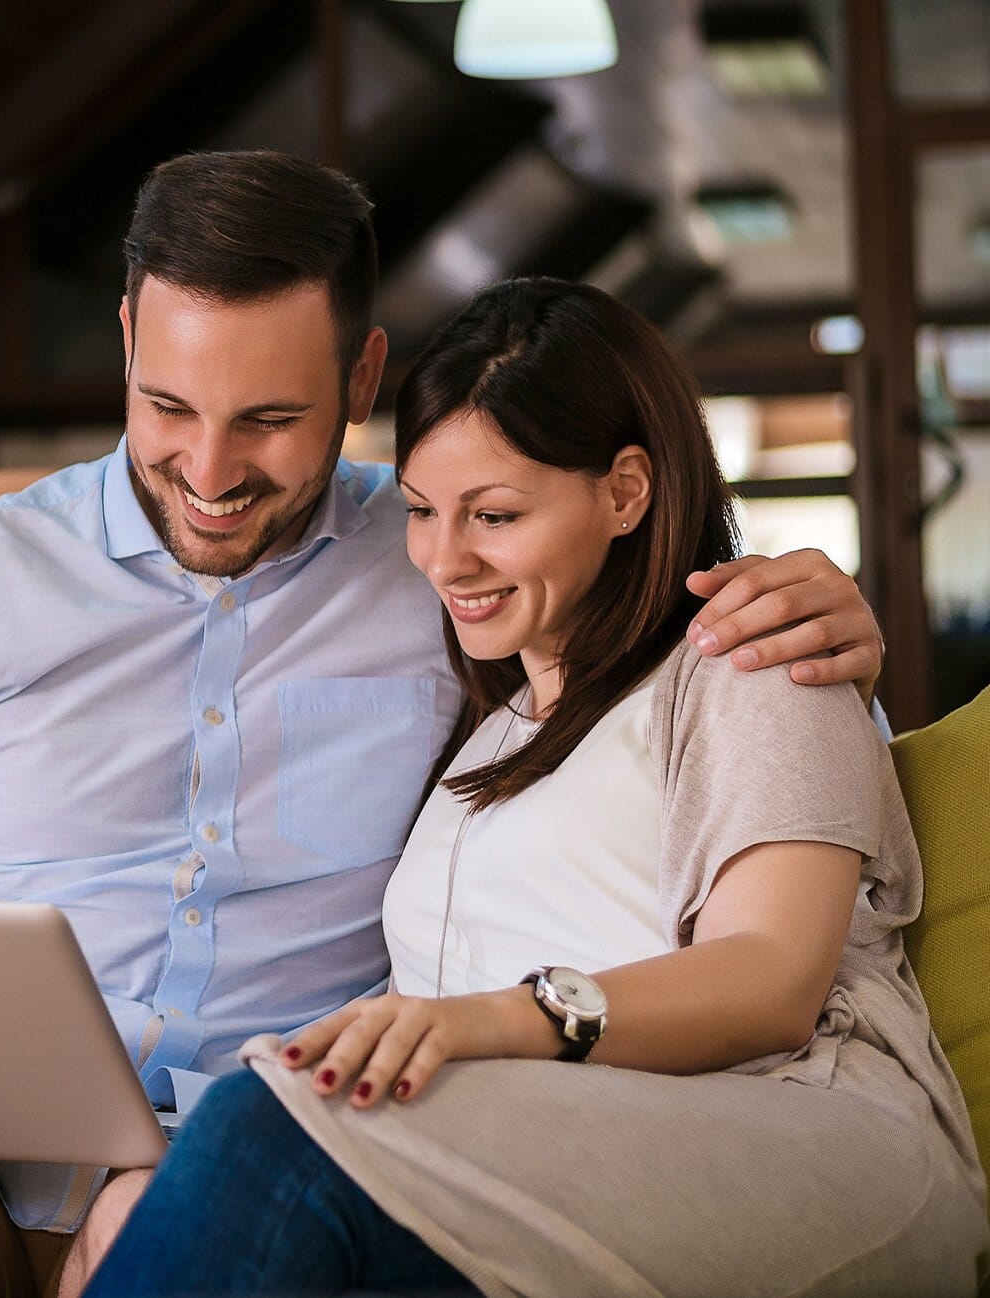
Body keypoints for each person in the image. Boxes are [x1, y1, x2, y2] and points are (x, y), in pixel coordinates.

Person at [0, 153, 888, 1298]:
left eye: (270, 420)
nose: (212, 472)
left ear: (363, 377)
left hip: (240, 1156)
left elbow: (631, 641)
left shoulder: (439, 558)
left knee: (154, 1210)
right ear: (126, 338)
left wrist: (813, 615)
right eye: (168, 407)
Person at [83, 278, 990, 1298]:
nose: (444, 559)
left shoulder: (751, 657)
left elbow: (771, 980)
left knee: (268, 1120)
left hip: (796, 1136)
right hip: (543, 1169)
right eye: (421, 511)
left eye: (495, 514)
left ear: (626, 491)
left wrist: (498, 1020)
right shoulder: (492, 732)